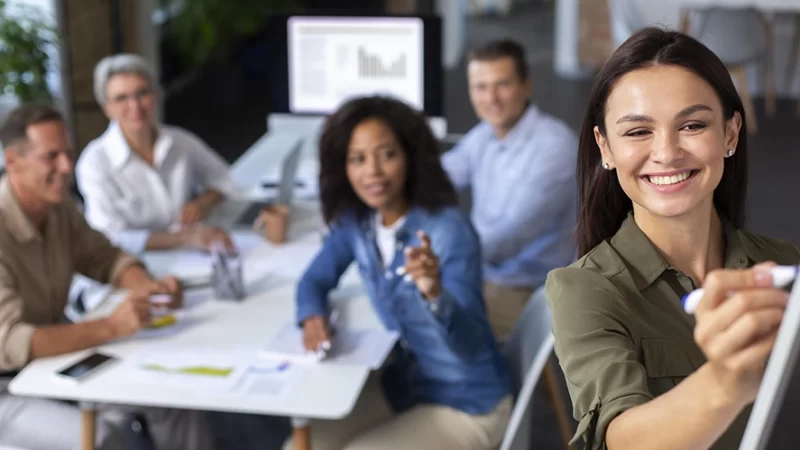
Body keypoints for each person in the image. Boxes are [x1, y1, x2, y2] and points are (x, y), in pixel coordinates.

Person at [545, 27, 800, 450]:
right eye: (637, 132)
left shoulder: (784, 266)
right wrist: (725, 381)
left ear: (731, 134)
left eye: (693, 125)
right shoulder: (584, 290)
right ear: (604, 147)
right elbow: (620, 438)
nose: (666, 153)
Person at [285, 96, 511, 450]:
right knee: (303, 445)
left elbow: (469, 342)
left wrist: (434, 293)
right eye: (357, 159)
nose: (372, 172)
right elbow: (314, 279)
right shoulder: (357, 222)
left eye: (387, 154)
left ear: (409, 155)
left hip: (466, 401)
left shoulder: (449, 231)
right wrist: (312, 317)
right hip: (403, 388)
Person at [0, 104, 215, 449]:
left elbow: (106, 256)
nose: (67, 167)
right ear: (13, 162)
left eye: (68, 153)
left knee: (173, 397)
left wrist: (149, 288)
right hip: (7, 389)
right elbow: (10, 342)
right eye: (50, 157)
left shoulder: (58, 207)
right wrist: (112, 326)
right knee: (99, 438)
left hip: (56, 363)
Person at [442, 39, 578, 340]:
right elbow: (439, 178)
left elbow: (510, 237)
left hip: (523, 291)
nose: (491, 98)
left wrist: (441, 253)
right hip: (482, 275)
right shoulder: (486, 135)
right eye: (480, 87)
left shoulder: (554, 148)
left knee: (426, 321)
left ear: (526, 85)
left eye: (502, 84)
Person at [76, 53, 234, 255]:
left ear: (155, 96)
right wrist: (184, 237)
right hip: (138, 262)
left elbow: (224, 178)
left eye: (142, 93)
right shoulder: (94, 163)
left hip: (192, 255)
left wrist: (203, 202)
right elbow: (110, 235)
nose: (135, 106)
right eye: (121, 98)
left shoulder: (180, 142)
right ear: (107, 108)